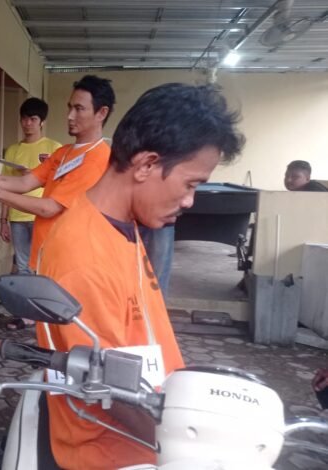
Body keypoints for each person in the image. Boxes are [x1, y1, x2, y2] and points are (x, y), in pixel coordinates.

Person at [37, 83, 244, 469]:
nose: (189, 201)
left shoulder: (123, 225)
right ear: (146, 165)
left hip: (153, 423)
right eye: (190, 183)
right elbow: (109, 390)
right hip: (115, 452)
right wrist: (189, 449)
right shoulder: (82, 257)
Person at [0, 75, 115, 328]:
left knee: (66, 335)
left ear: (101, 113)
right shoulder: (63, 153)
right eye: (69, 107)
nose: (70, 115)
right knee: (49, 334)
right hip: (49, 255)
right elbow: (25, 183)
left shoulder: (98, 157)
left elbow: (49, 207)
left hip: (72, 262)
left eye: (79, 109)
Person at [0, 98, 61, 275]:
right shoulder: (12, 150)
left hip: (42, 215)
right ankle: (27, 302)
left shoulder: (54, 148)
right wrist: (3, 221)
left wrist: (35, 176)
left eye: (33, 119)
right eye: (24, 118)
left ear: (42, 122)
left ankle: (43, 301)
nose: (27, 123)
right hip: (17, 217)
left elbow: (62, 183)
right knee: (23, 266)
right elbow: (5, 187)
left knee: (44, 263)